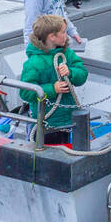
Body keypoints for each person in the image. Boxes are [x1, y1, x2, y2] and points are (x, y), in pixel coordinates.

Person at [19, 14, 89, 145]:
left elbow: (83, 74)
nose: (66, 36)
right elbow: (26, 92)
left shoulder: (67, 53)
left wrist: (71, 72)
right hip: (44, 122)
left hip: (66, 119)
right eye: (63, 32)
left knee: (64, 149)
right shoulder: (34, 63)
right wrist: (53, 89)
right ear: (52, 37)